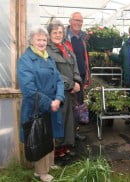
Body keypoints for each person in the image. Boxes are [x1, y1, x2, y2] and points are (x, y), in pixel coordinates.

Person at [17, 26, 64, 182]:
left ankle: (49, 164)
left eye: (44, 39)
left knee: (49, 135)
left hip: (52, 104)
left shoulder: (47, 57)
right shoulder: (26, 60)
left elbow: (59, 80)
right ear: (31, 41)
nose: (42, 42)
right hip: (36, 105)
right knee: (40, 136)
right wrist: (49, 103)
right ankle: (41, 172)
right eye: (39, 39)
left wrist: (58, 98)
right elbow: (29, 90)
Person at [46, 20, 82, 158]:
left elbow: (75, 66)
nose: (57, 35)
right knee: (58, 119)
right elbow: (52, 72)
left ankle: (65, 146)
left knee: (68, 119)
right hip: (57, 92)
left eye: (60, 32)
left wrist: (77, 81)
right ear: (49, 34)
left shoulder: (66, 48)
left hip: (70, 92)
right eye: (54, 32)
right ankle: (56, 150)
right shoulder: (47, 50)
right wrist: (71, 85)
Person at [66, 12, 89, 140]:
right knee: (70, 106)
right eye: (76, 20)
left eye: (80, 21)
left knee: (78, 105)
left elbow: (83, 57)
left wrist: (86, 75)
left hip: (80, 76)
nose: (78, 23)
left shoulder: (81, 38)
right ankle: (69, 136)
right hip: (70, 78)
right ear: (70, 21)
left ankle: (75, 132)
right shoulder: (65, 38)